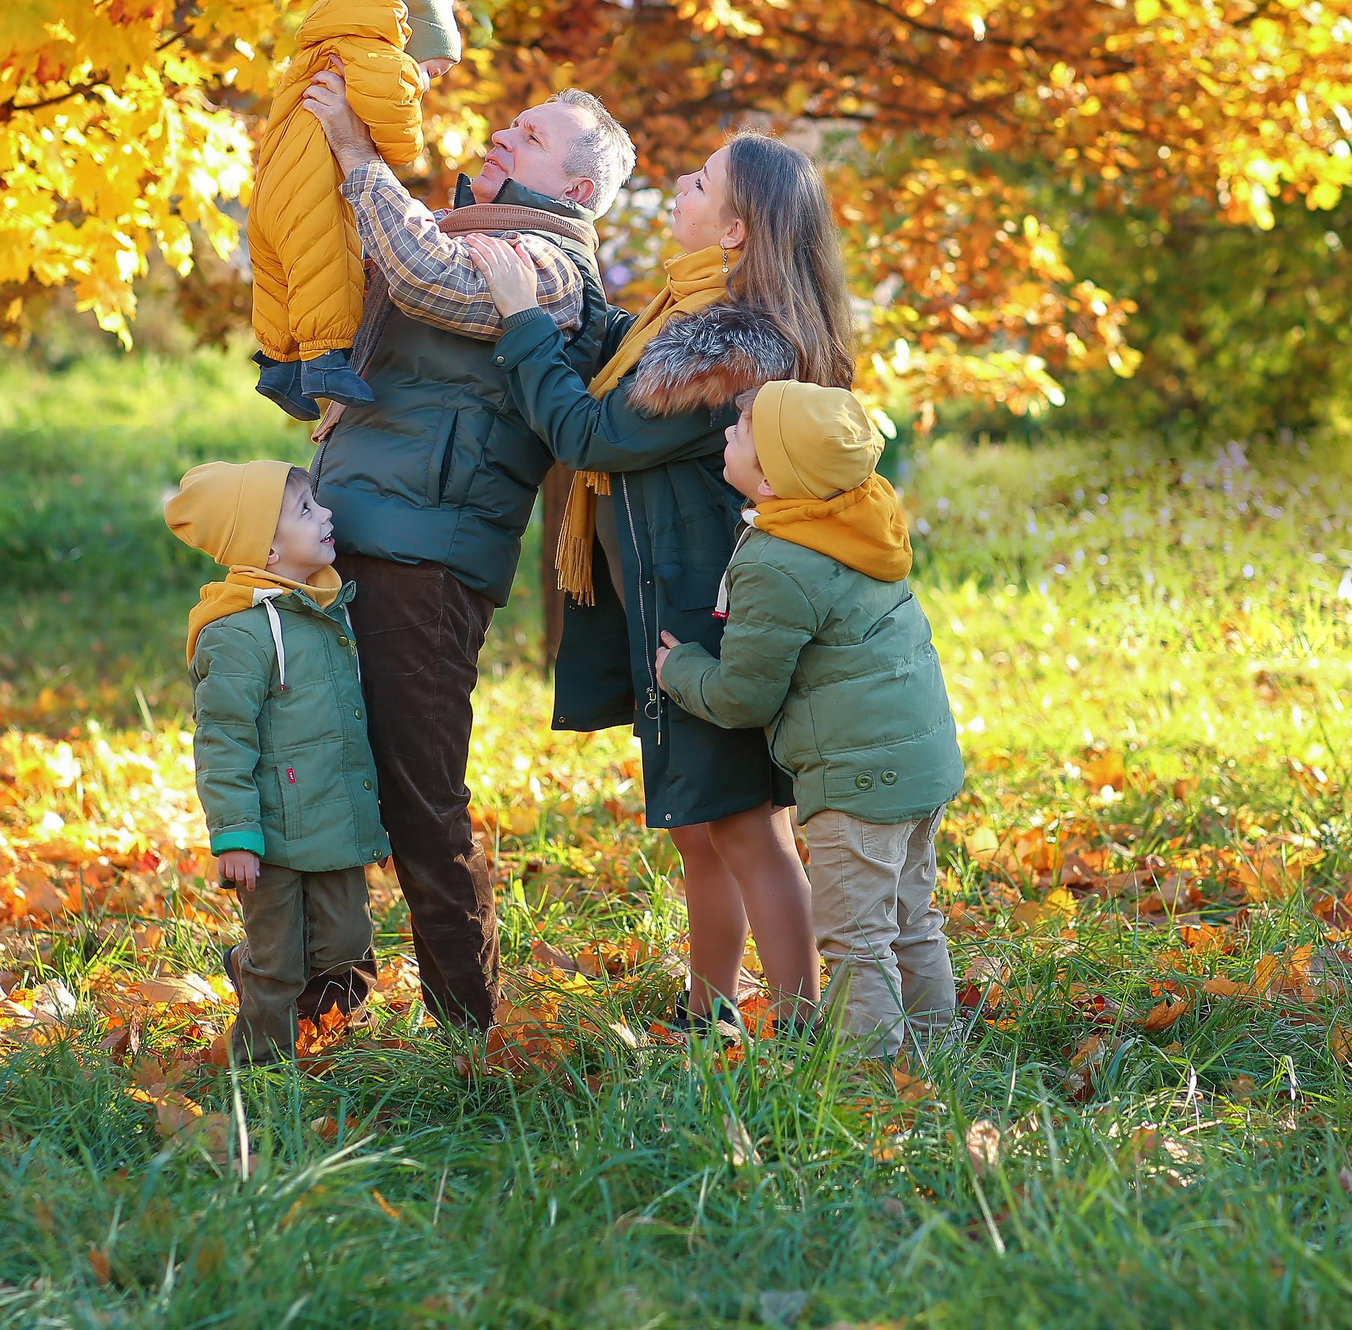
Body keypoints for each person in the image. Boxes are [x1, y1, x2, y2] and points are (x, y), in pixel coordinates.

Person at [464, 133, 852, 1032]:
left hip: (709, 618)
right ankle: (708, 1008)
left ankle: (797, 1031)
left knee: (748, 828)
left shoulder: (727, 353)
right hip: (677, 608)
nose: (681, 184)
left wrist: (523, 318)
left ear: (737, 232)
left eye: (700, 181)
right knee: (702, 827)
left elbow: (591, 435)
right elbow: (610, 395)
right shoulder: (682, 322)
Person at [293, 67, 634, 1032]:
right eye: (510, 123)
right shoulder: (458, 230)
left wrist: (362, 153)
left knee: (419, 798)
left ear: (573, 188)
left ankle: (469, 1028)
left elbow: (429, 283)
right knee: (318, 779)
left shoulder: (551, 268)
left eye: (528, 138)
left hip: (425, 562)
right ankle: (322, 1001)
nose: (500, 136)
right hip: (338, 534)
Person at [654, 381, 965, 1058]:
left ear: (771, 479)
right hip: (921, 762)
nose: (727, 434)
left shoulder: (777, 559)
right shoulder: (860, 520)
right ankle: (939, 1057)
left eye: (741, 429)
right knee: (913, 919)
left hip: (857, 780)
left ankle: (870, 1080)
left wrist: (679, 671)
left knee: (857, 937)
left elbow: (742, 696)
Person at [163, 460, 388, 1064]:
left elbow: (348, 730)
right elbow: (223, 739)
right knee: (278, 964)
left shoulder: (328, 613)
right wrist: (235, 835)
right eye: (307, 511)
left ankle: (313, 1032)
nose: (327, 515)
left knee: (349, 952)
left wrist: (372, 819)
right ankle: (260, 1070)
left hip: (334, 827)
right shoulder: (236, 635)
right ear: (266, 544)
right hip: (269, 837)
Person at [247, 0, 464, 419]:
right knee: (327, 271)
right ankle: (326, 361)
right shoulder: (381, 58)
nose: (429, 81)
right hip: (314, 192)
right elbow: (402, 144)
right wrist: (411, 83)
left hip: (272, 186)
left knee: (279, 277)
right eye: (434, 69)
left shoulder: (323, 44)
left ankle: (278, 366)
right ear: (415, 40)